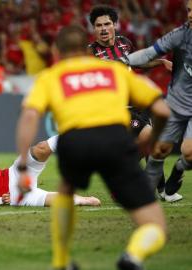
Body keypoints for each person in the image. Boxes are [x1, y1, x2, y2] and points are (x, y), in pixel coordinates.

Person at [16, 25, 169, 270]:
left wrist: (24, 164)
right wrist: (150, 141)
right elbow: (162, 110)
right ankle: (133, 256)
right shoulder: (113, 71)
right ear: (86, 50)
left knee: (66, 190)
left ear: (56, 51)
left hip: (74, 141)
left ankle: (62, 260)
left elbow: (29, 117)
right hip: (116, 139)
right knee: (155, 226)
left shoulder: (51, 76)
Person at [125, 0, 192, 202]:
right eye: (189, 10)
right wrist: (124, 61)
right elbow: (149, 53)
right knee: (160, 149)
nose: (190, 15)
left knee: (189, 154)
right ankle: (147, 196)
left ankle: (179, 169)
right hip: (177, 103)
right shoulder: (180, 34)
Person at [88, 5, 171, 154]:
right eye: (98, 25)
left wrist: (161, 62)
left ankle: (137, 173)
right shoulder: (89, 52)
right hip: (116, 108)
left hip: (136, 104)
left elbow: (135, 62)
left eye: (107, 24)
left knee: (148, 149)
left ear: (114, 24)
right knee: (151, 138)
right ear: (94, 29)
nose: (103, 29)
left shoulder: (124, 43)